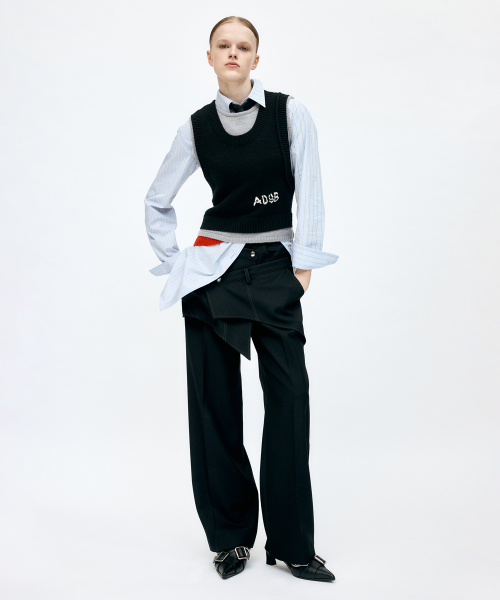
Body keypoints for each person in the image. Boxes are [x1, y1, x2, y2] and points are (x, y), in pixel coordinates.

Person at [144, 16, 339, 582]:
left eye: (244, 46)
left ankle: (292, 544)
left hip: (275, 267)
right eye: (223, 45)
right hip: (213, 274)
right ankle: (229, 539)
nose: (233, 53)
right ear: (209, 57)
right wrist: (177, 263)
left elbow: (311, 188)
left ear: (257, 58)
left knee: (290, 401)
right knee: (214, 405)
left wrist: (304, 265)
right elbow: (157, 200)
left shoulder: (290, 113)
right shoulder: (195, 128)